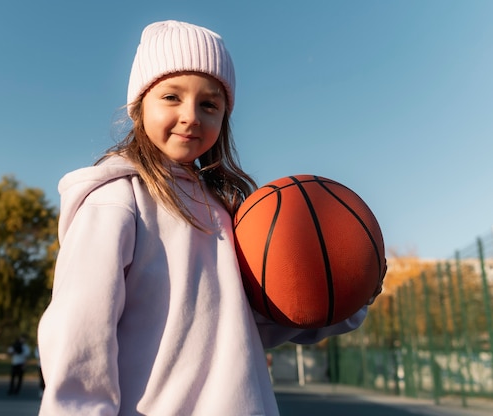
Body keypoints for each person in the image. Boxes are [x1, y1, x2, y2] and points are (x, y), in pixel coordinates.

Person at [37, 20, 383, 415]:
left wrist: (350, 299)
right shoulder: (116, 199)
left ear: (224, 118)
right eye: (171, 97)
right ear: (139, 106)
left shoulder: (227, 211)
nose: (191, 116)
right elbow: (82, 328)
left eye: (209, 104)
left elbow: (252, 323)